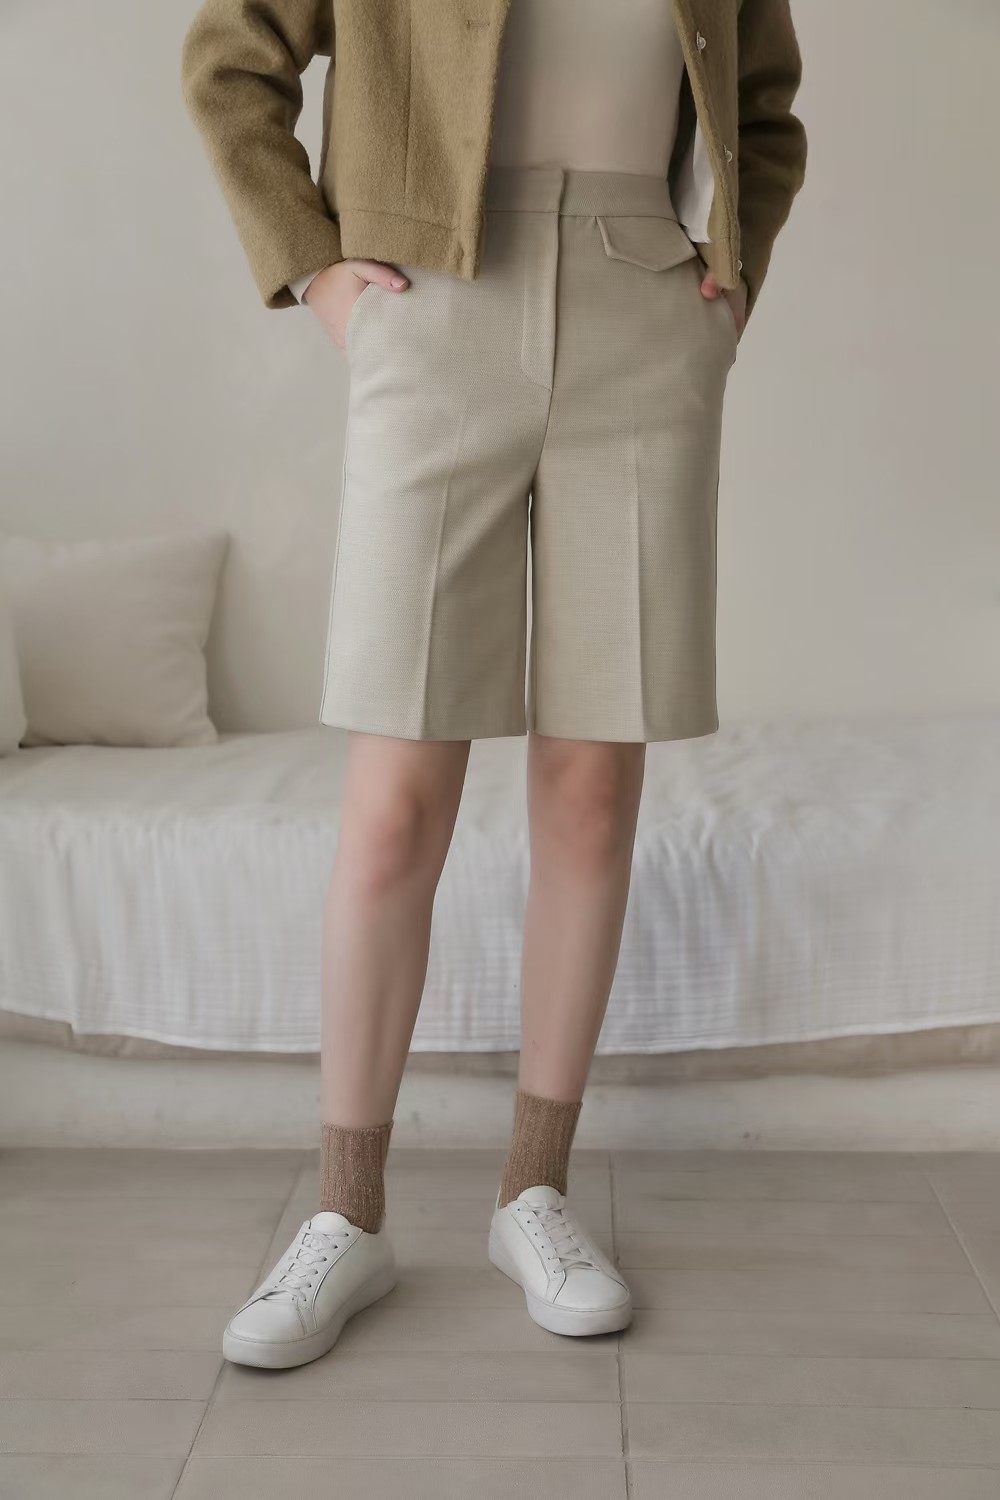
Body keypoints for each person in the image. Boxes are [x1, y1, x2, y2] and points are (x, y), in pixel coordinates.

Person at [181, 0, 806, 1369]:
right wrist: (318, 272)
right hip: (433, 303)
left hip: (647, 301)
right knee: (396, 801)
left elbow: (764, 107)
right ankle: (347, 1213)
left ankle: (536, 1192)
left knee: (591, 792)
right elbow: (231, 60)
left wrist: (734, 282)